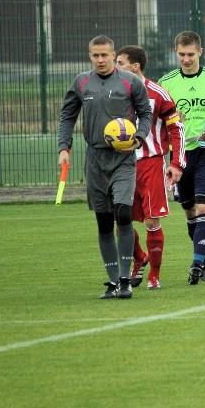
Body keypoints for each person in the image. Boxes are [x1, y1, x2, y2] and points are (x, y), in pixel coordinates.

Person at [57, 36, 152, 299]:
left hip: (123, 159)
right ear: (90, 56)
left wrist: (139, 138)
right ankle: (112, 282)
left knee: (122, 213)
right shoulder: (81, 82)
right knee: (103, 221)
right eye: (95, 56)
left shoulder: (130, 81)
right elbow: (67, 116)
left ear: (113, 55)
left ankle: (125, 279)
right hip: (95, 160)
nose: (100, 60)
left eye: (105, 55)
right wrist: (64, 148)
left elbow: (146, 113)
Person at [159, 31, 205, 284]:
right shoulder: (166, 83)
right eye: (182, 54)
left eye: (191, 54)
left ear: (200, 52)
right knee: (190, 212)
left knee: (204, 208)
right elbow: (159, 119)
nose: (186, 59)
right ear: (175, 52)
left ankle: (196, 263)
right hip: (179, 155)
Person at [115, 46, 185, 290]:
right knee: (120, 219)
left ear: (136, 66)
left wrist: (177, 163)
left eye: (120, 63)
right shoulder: (114, 92)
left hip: (151, 162)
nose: (116, 67)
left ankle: (154, 275)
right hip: (121, 164)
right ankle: (139, 258)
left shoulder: (158, 93)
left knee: (152, 221)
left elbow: (177, 129)